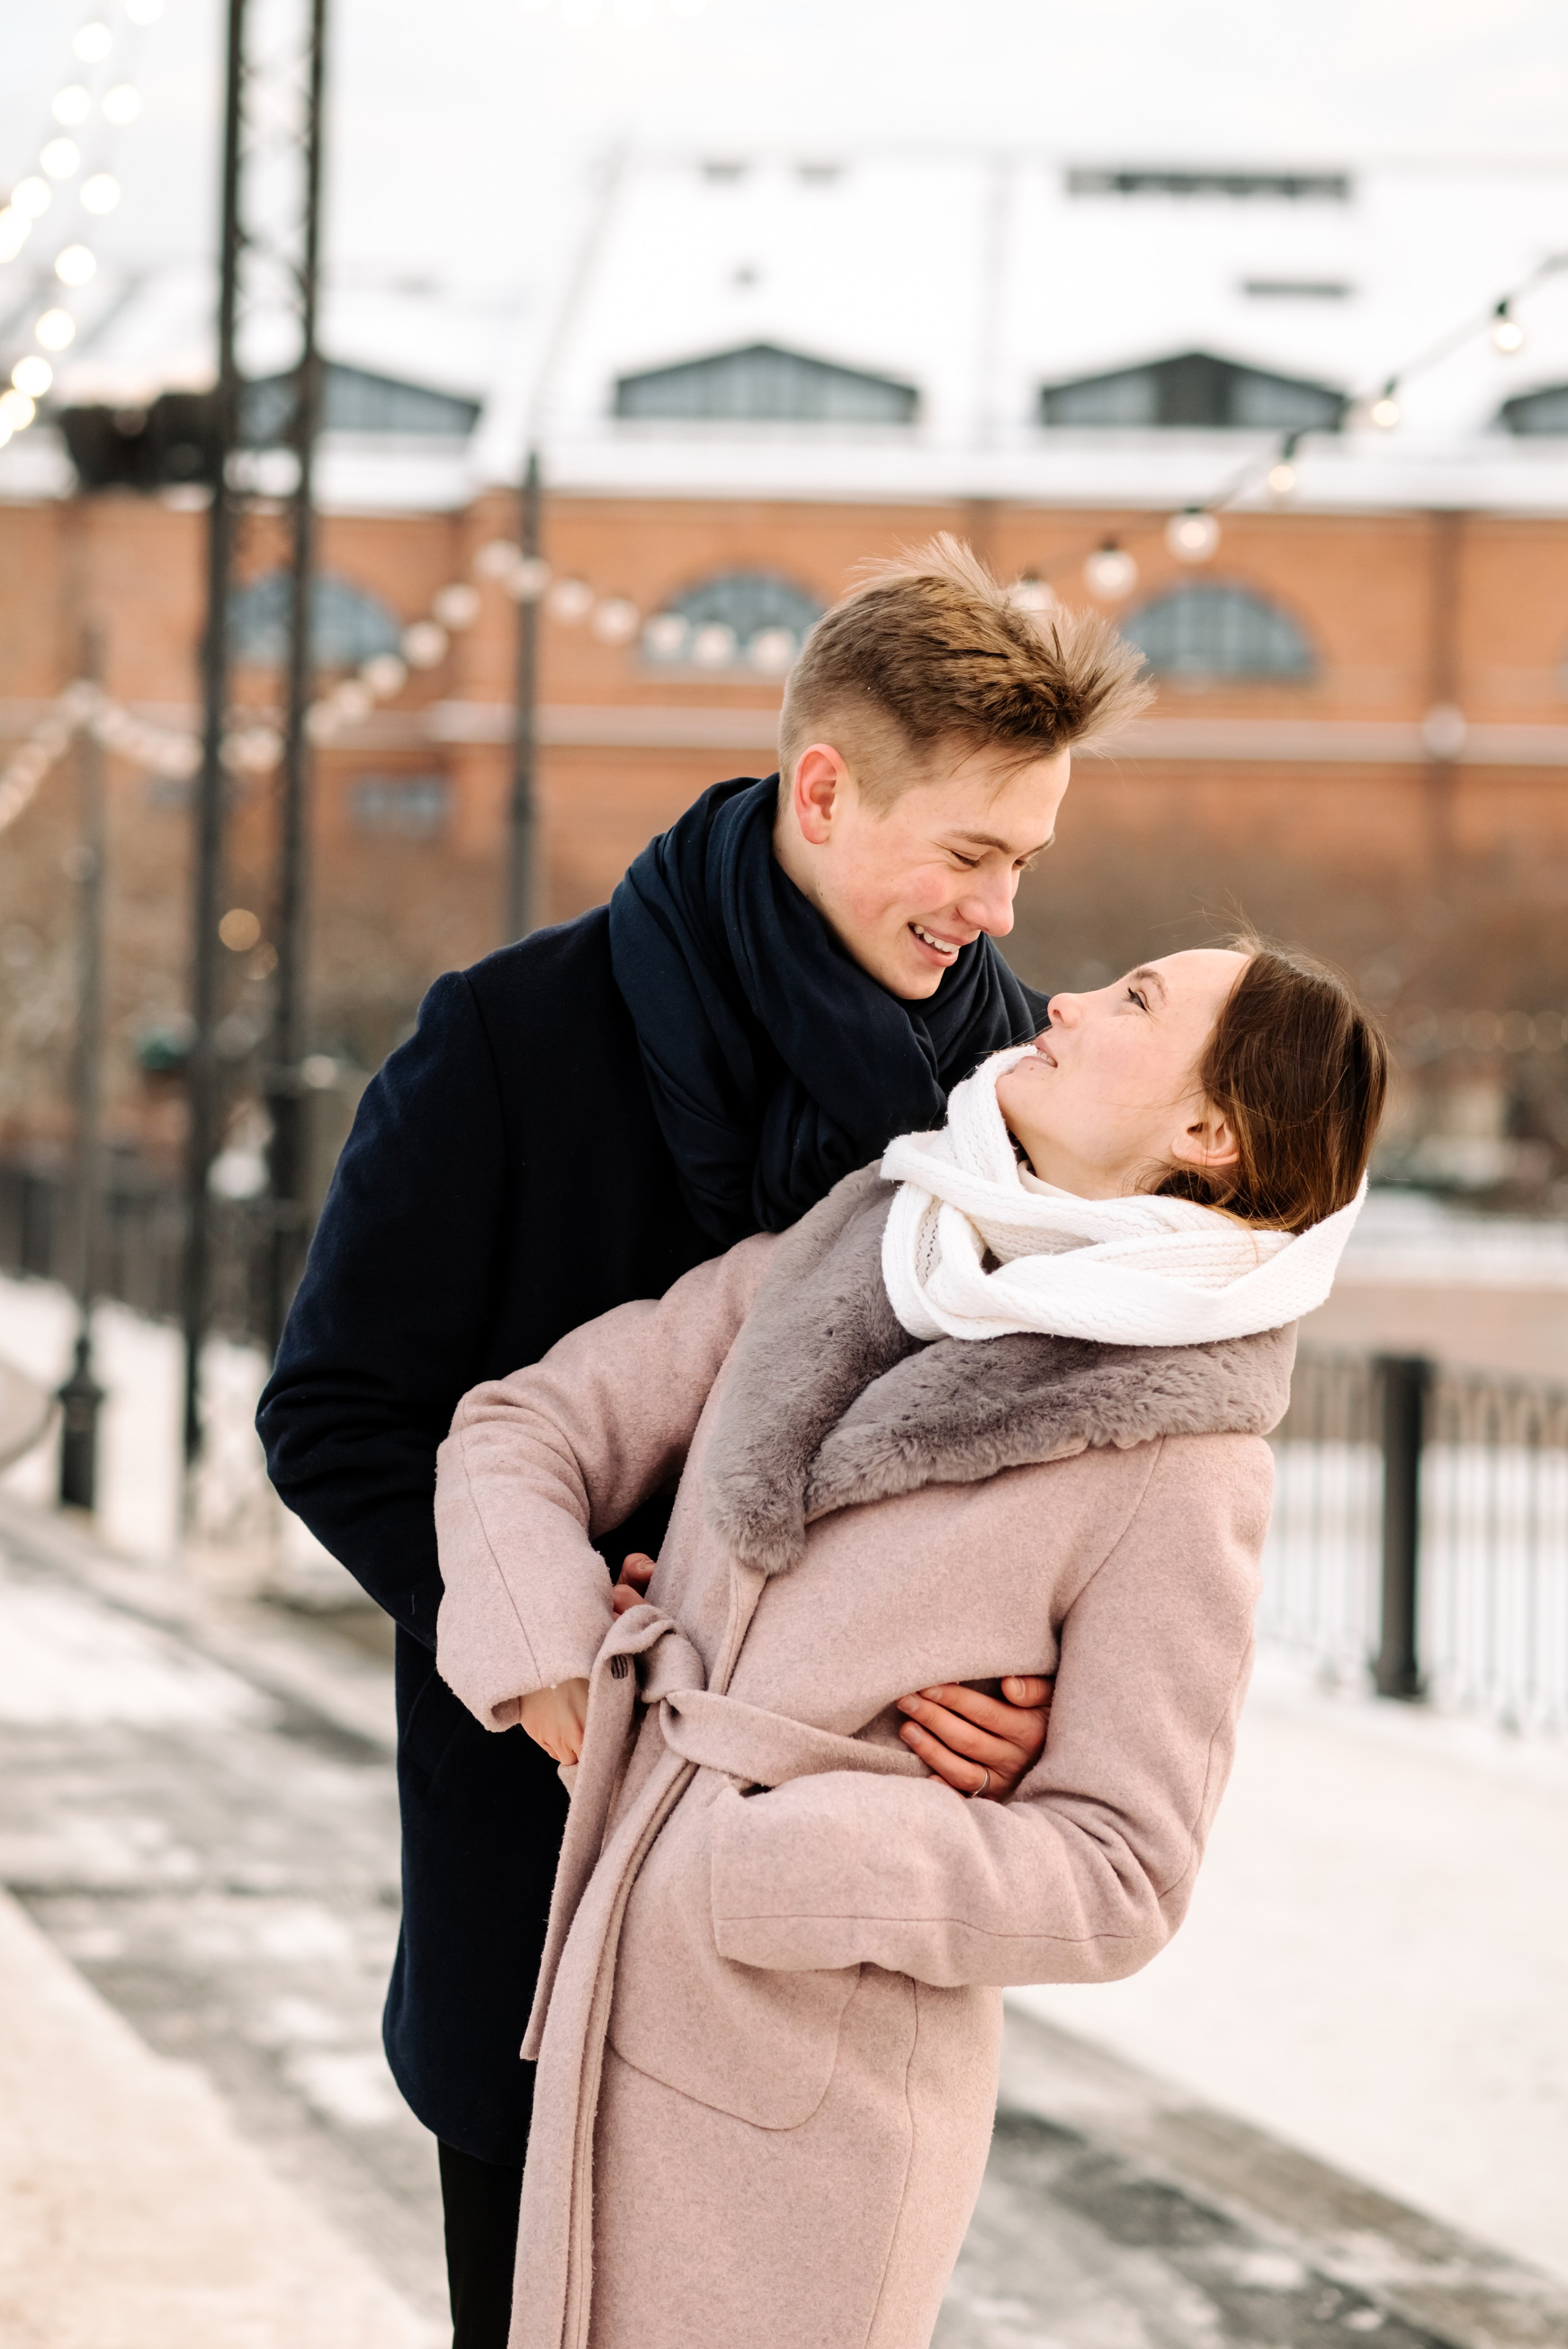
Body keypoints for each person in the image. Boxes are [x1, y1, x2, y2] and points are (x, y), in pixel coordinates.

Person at [256, 536, 1152, 2344]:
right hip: (547, 1877)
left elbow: (1060, 1464)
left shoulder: (1011, 1104)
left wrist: (1033, 1694)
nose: (998, 911)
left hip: (827, 1950)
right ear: (822, 791)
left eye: (1026, 862)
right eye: (968, 853)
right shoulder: (514, 1036)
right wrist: (537, 1641)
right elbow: (334, 1412)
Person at [434, 941, 1388, 2349]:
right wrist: (555, 1654)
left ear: (1209, 1131)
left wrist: (767, 1860)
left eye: (1134, 1002)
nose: (1064, 1002)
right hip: (600, 2003)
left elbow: (1119, 1874)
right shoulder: (858, 1241)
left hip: (818, 2114)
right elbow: (520, 1428)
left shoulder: (1182, 1458)